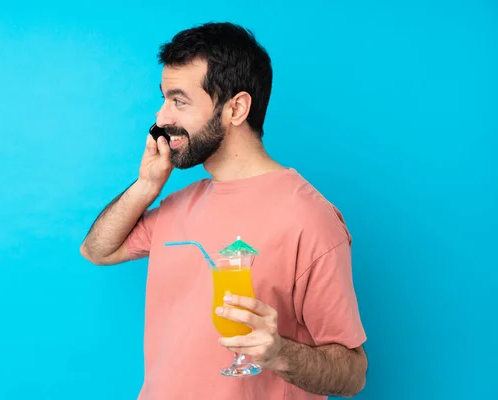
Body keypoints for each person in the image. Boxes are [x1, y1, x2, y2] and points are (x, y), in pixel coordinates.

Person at [80, 22, 368, 400]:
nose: (161, 117)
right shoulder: (176, 206)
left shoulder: (309, 218)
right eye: (164, 98)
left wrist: (280, 353)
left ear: (235, 108)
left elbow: (353, 373)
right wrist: (146, 185)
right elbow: (97, 250)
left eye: (179, 101)